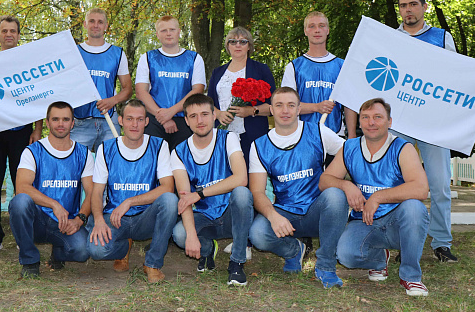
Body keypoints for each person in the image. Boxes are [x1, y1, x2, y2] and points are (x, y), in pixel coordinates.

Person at [320, 98, 430, 296]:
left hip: (397, 222)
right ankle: (379, 259)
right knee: (345, 255)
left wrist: (378, 197)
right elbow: (324, 180)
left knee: (415, 208)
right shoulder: (350, 147)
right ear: (359, 121)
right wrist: (346, 185)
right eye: (365, 117)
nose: (371, 122)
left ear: (389, 121)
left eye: (378, 117)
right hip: (365, 220)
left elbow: (421, 189)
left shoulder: (402, 148)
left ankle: (411, 276)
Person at [248, 87, 349, 288]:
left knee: (336, 195)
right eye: (279, 105)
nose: (285, 110)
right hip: (286, 215)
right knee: (257, 233)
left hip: (318, 212)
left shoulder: (318, 131)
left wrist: (337, 178)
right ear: (271, 110)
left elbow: (351, 151)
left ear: (299, 109)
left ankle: (326, 266)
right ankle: (294, 251)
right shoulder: (259, 145)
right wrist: (273, 216)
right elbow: (257, 192)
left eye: (291, 105)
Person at [394, 0, 458, 263]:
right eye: (403, 6)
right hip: (401, 121)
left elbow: (460, 72)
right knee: (397, 183)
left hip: (434, 123)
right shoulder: (390, 38)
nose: (408, 10)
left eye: (412, 4)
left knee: (440, 185)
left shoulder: (442, 37)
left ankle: (441, 242)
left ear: (424, 7)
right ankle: (400, 241)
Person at [87, 99, 178, 283]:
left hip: (145, 217)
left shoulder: (159, 145)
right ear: (120, 120)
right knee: (96, 250)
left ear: (146, 121)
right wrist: (98, 220)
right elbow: (97, 192)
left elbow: (167, 187)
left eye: (139, 119)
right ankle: (123, 248)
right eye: (129, 119)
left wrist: (129, 202)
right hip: (115, 218)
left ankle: (152, 263)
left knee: (170, 200)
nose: (134, 124)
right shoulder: (106, 148)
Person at [171, 94, 253, 286]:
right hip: (204, 217)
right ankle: (207, 249)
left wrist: (199, 194)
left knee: (242, 193)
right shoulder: (178, 152)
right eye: (193, 116)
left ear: (214, 115)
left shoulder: (228, 138)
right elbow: (185, 198)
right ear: (186, 120)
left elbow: (241, 178)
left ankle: (237, 262)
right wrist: (192, 236)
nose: (200, 120)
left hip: (231, 213)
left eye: (205, 114)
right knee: (180, 234)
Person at [0, 15, 43, 256]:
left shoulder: (28, 65)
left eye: (12, 31)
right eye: (4, 31)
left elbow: (38, 97)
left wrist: (37, 129)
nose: (8, 34)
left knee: (22, 185)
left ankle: (23, 235)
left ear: (18, 35)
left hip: (21, 132)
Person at [8, 101, 93, 278]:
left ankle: (58, 253)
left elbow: (92, 193)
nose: (60, 124)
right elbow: (22, 187)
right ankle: (30, 261)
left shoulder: (83, 153)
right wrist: (54, 204)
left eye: (65, 119)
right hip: (37, 219)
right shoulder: (32, 151)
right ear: (47, 123)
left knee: (83, 251)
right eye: (55, 119)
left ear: (72, 123)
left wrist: (79, 220)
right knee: (19, 202)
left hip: (65, 223)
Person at [281, 11, 356, 141]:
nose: (317, 30)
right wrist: (316, 107)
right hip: (302, 136)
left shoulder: (341, 66)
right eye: (312, 26)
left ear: (327, 30)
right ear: (305, 31)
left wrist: (352, 136)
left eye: (321, 26)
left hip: (335, 135)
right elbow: (287, 105)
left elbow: (349, 104)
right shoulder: (294, 67)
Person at [135, 15, 206, 148]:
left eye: (172, 29)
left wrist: (171, 112)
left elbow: (198, 91)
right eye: (163, 30)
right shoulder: (147, 58)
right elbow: (140, 92)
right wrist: (163, 117)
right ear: (157, 34)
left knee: (182, 159)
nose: (168, 33)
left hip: (185, 119)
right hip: (155, 119)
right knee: (154, 159)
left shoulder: (194, 58)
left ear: (179, 31)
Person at [207, 26, 275, 163]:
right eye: (233, 41)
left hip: (252, 135)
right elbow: (208, 103)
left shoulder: (261, 70)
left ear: (249, 46)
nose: (237, 45)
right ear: (228, 46)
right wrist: (218, 114)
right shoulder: (217, 72)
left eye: (243, 42)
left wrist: (252, 111)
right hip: (223, 134)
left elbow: (274, 106)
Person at [71, 8, 133, 152]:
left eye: (100, 22)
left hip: (109, 120)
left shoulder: (117, 53)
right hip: (80, 121)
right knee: (76, 162)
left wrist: (112, 100)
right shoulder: (74, 52)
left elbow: (128, 89)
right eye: (92, 21)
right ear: (85, 24)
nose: (96, 25)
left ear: (106, 26)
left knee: (110, 162)